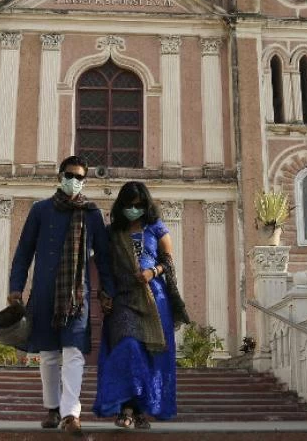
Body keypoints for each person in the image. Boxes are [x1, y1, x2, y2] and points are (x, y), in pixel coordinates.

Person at [8, 156, 116, 435]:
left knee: (74, 353)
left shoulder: (92, 214)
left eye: (80, 177)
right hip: (44, 292)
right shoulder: (40, 211)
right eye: (70, 175)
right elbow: (23, 253)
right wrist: (16, 287)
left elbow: (103, 258)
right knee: (49, 356)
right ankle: (53, 409)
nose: (75, 181)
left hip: (76, 295)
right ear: (60, 176)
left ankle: (71, 413)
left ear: (85, 181)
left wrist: (107, 290)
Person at [93, 181, 189, 429]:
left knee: (149, 355)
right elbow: (104, 266)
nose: (133, 209)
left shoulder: (156, 228)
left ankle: (135, 410)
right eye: (128, 205)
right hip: (123, 298)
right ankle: (125, 406)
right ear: (121, 206)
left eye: (138, 205)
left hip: (154, 299)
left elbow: (168, 262)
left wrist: (152, 272)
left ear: (146, 206)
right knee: (128, 347)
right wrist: (104, 294)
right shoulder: (111, 232)